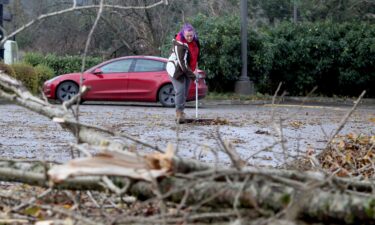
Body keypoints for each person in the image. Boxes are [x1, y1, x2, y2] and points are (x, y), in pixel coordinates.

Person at [170, 23, 200, 124]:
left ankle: (181, 112)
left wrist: (195, 68)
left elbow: (197, 54)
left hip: (188, 69)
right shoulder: (179, 45)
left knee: (185, 92)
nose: (189, 38)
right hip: (176, 70)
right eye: (187, 36)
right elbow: (182, 64)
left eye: (191, 35)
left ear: (194, 34)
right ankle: (179, 114)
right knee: (180, 90)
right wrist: (193, 76)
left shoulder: (196, 41)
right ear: (183, 34)